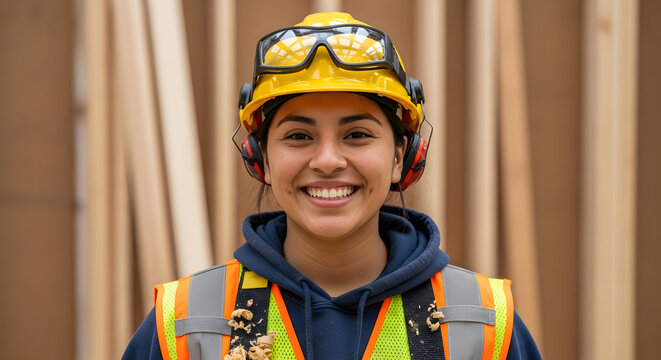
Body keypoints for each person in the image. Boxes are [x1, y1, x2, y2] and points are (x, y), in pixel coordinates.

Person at [123, 12, 541, 360]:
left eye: (357, 134)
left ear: (400, 157)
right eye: (299, 136)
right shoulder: (185, 324)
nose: (326, 161)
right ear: (261, 158)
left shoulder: (482, 322)